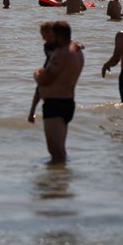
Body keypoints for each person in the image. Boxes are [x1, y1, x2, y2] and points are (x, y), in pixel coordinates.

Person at [33, 21, 84, 163]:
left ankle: (57, 182)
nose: (49, 38)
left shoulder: (62, 54)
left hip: (56, 104)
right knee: (59, 149)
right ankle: (61, 178)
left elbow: (45, 80)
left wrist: (36, 73)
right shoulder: (76, 51)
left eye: (52, 35)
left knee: (55, 151)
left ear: (59, 36)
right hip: (66, 102)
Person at [28, 21, 56, 124]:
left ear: (51, 33)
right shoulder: (47, 45)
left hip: (52, 72)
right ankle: (32, 113)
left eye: (44, 35)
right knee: (38, 90)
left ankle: (33, 113)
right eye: (42, 35)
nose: (43, 38)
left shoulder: (62, 44)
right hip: (48, 68)